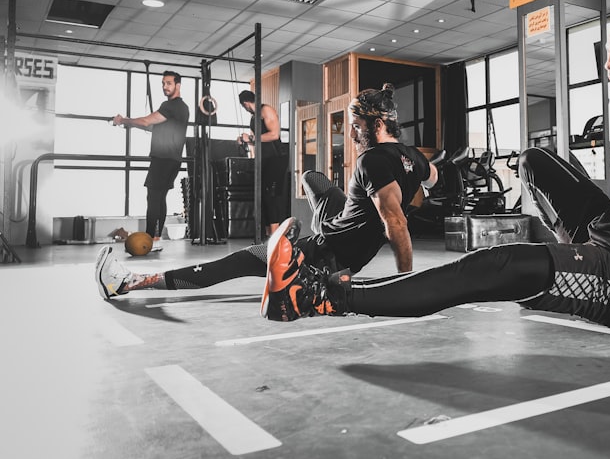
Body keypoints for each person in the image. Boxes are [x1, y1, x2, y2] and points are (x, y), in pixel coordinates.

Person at [260, 12, 610, 346]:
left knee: (491, 267)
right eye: (609, 51)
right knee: (535, 160)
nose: (609, 62)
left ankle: (321, 295)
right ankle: (567, 259)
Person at [95, 83, 438, 298]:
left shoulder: (372, 162)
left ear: (377, 126)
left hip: (323, 257)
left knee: (236, 261)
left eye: (356, 127)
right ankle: (323, 223)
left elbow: (396, 224)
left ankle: (129, 284)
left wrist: (404, 283)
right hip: (345, 237)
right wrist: (419, 187)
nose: (351, 134)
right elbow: (433, 177)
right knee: (314, 178)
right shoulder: (413, 159)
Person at [111, 70, 189, 242]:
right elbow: (151, 126)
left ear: (178, 85)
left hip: (163, 159)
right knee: (159, 197)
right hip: (173, 160)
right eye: (163, 83)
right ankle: (155, 237)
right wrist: (131, 125)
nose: (164, 86)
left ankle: (149, 238)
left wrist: (123, 120)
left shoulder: (171, 105)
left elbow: (147, 121)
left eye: (168, 83)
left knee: (153, 197)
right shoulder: (182, 108)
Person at [237, 90, 290, 236]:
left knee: (271, 195)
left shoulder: (266, 110)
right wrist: (244, 140)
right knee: (262, 196)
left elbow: (274, 134)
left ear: (245, 104)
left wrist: (252, 139)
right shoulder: (254, 117)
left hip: (277, 158)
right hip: (264, 159)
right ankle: (268, 234)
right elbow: (258, 139)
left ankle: (275, 234)